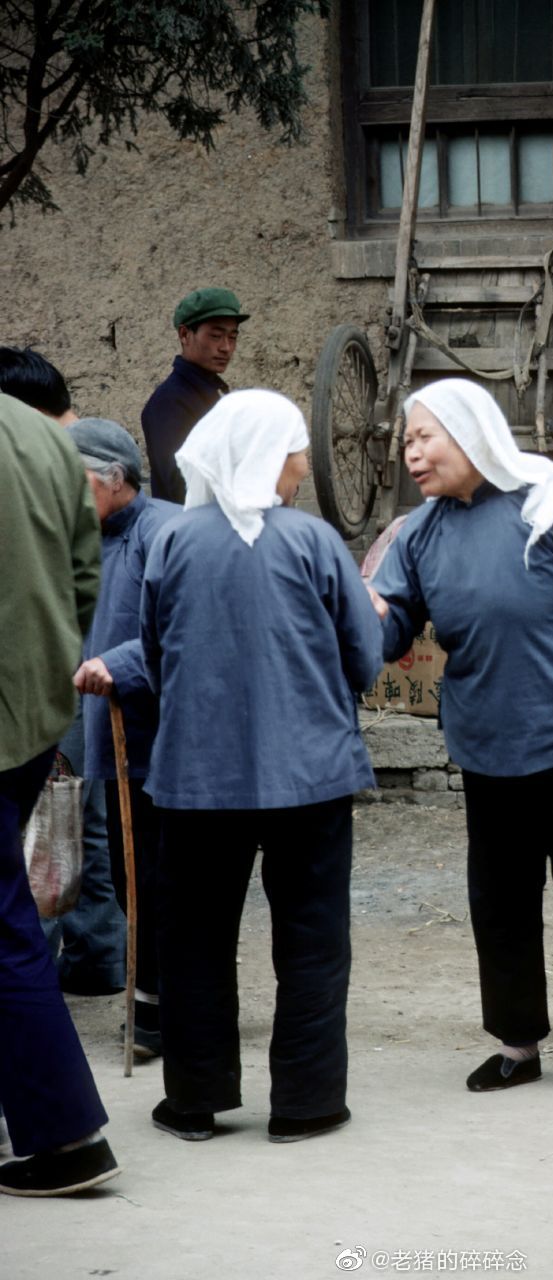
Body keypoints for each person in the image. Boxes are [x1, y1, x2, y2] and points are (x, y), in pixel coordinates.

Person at [369, 378, 553, 1101]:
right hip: (487, 748)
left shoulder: (549, 501)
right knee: (500, 905)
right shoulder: (419, 533)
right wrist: (365, 610)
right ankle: (517, 1043)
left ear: (470, 434)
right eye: (406, 441)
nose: (411, 454)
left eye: (423, 437)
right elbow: (392, 629)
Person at [140, 388, 383, 1142]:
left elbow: (154, 654)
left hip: (197, 778)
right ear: (268, 455)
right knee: (313, 938)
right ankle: (306, 1104)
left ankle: (194, 1101)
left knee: (193, 939)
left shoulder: (173, 541)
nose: (304, 465)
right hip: (309, 775)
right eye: (297, 451)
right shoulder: (314, 542)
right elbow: (365, 656)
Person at [0, 391, 120, 1195]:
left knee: (5, 928)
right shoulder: (40, 436)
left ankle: (66, 1135)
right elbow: (85, 580)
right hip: (34, 716)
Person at [0, 346, 127, 999]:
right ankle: (94, 959)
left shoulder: (38, 461)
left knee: (60, 826)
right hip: (70, 678)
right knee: (77, 818)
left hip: (58, 684)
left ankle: (59, 965)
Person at [69, 419, 178, 1058]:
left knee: (161, 881)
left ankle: (163, 1015)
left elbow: (182, 628)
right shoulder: (84, 537)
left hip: (165, 740)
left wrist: (122, 664)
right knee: (128, 877)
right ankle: (149, 1006)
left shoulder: (164, 531)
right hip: (109, 739)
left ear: (115, 478)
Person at [141, 287, 249, 502]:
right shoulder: (170, 402)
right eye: (216, 336)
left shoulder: (213, 393)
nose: (226, 347)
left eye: (233, 337)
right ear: (184, 334)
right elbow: (183, 487)